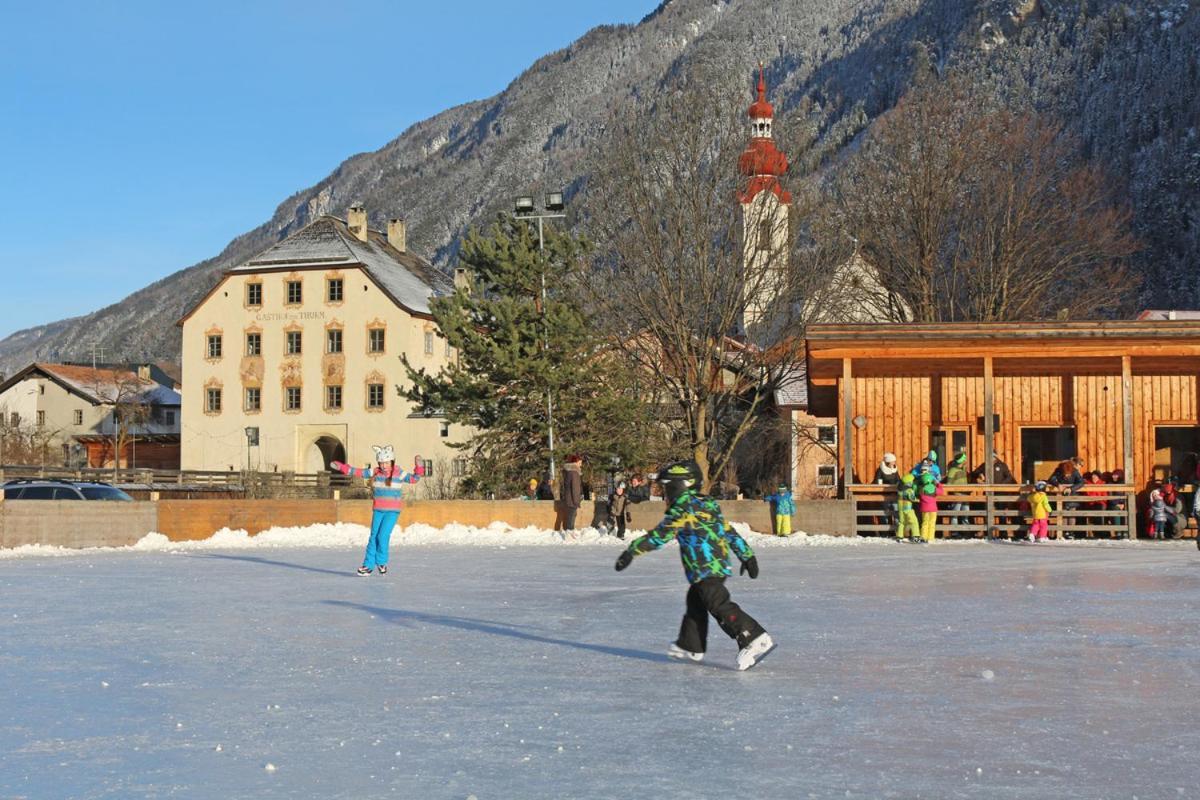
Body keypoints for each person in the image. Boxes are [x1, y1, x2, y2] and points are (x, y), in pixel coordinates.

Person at [613, 459, 775, 671]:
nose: (665, 495)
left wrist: (631, 551)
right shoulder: (707, 503)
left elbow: (660, 536)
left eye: (667, 489)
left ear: (679, 486)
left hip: (705, 568)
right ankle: (692, 646)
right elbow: (728, 531)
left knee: (718, 604)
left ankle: (753, 636)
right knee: (695, 601)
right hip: (713, 567)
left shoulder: (683, 508)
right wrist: (747, 556)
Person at [331, 446, 423, 576]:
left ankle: (381, 561)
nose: (384, 466)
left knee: (383, 536)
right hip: (378, 510)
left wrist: (419, 467)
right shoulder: (376, 472)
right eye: (381, 463)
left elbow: (414, 479)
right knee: (373, 536)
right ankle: (367, 566)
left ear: (392, 461)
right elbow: (359, 472)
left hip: (392, 511)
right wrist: (342, 467)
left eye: (386, 462)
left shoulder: (398, 472)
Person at [1049, 459, 1084, 539]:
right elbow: (1051, 479)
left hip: (1072, 495)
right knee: (1063, 514)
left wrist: (1071, 488)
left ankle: (1071, 532)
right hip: (1062, 496)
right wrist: (1058, 484)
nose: (1067, 476)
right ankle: (1064, 532)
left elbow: (1081, 482)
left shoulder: (1075, 471)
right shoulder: (1058, 471)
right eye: (1065, 474)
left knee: (1071, 514)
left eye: (1068, 474)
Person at [944, 451, 970, 537]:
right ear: (961, 461)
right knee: (955, 514)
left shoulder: (963, 470)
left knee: (965, 513)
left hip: (965, 495)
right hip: (957, 495)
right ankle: (955, 532)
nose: (965, 461)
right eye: (964, 459)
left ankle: (966, 531)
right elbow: (949, 484)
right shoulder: (952, 470)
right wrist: (954, 492)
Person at [873, 452, 900, 533]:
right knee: (884, 513)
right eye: (893, 461)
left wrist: (898, 484)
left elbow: (898, 479)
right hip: (884, 495)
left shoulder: (895, 469)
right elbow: (876, 481)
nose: (894, 463)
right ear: (888, 462)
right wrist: (880, 484)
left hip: (894, 495)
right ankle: (884, 532)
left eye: (894, 461)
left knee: (896, 513)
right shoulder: (881, 470)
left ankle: (897, 531)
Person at [916, 469, 943, 543]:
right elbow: (941, 492)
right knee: (932, 523)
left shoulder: (921, 489)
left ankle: (923, 537)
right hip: (933, 509)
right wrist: (938, 484)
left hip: (924, 509)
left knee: (925, 523)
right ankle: (930, 538)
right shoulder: (934, 488)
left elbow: (918, 495)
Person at [559, 454, 583, 530]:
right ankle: (569, 533)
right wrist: (577, 501)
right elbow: (575, 488)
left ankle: (569, 532)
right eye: (579, 463)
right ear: (575, 463)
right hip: (572, 500)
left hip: (569, 499)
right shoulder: (574, 473)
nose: (581, 465)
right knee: (571, 518)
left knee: (570, 517)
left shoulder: (569, 472)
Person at [895, 472, 920, 542]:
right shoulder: (909, 490)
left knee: (902, 522)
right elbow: (912, 498)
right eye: (912, 481)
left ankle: (899, 536)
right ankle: (916, 536)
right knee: (914, 521)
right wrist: (918, 500)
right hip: (908, 509)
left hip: (901, 509)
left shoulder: (899, 490)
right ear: (909, 482)